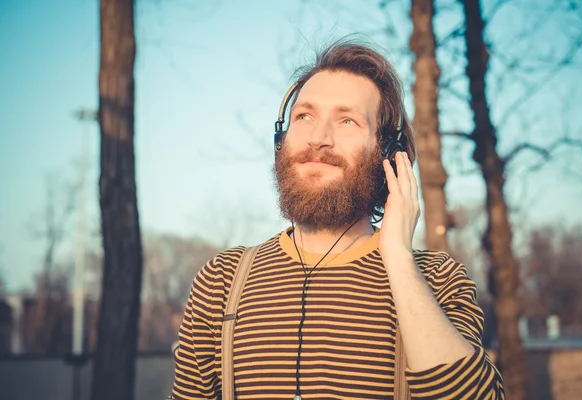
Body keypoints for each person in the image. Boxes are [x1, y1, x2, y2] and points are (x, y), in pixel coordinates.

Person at [169, 40, 505, 399]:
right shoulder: (222, 281)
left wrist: (398, 258)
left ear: (389, 155)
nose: (318, 138)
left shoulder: (436, 279)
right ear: (281, 138)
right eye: (304, 116)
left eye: (347, 120)